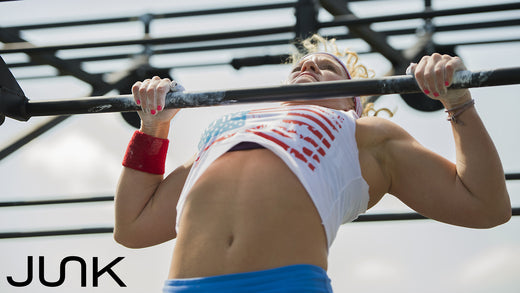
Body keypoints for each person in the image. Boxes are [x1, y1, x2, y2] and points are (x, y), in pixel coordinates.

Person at [114, 35, 511, 292]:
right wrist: (153, 127)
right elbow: (133, 226)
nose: (306, 67)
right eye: (299, 67)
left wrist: (458, 101)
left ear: (351, 104)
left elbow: (486, 206)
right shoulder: (224, 130)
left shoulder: (365, 133)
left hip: (284, 284)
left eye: (327, 68)